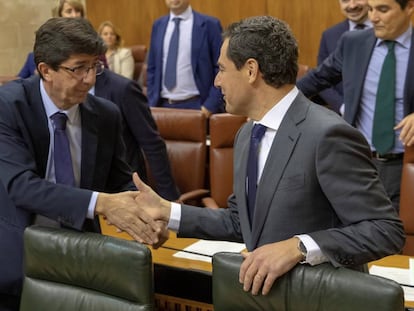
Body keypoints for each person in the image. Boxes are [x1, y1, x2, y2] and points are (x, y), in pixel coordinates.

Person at [132, 16, 405, 297]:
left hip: (320, 299)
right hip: (264, 298)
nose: (216, 81)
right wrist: (169, 211)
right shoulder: (247, 134)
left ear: (251, 70)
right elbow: (242, 222)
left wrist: (299, 246)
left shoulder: (327, 134)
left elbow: (385, 230)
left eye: (222, 69)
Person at [0, 17, 160, 311]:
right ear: (45, 70)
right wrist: (101, 203)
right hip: (16, 259)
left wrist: (146, 211)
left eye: (94, 66)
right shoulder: (8, 107)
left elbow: (120, 180)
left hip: (82, 256)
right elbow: (22, 187)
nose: (90, 79)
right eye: (78, 68)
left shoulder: (106, 114)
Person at [297, 0, 414, 212]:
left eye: (383, 10)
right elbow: (315, 80)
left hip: (404, 167)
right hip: (356, 162)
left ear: (409, 7)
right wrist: (271, 101)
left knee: (396, 240)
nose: (374, 17)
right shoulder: (353, 42)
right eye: (371, 9)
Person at [94, 68, 180, 200]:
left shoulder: (122, 89)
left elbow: (152, 144)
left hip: (123, 193)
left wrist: (170, 197)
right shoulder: (59, 98)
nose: (87, 77)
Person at [147, 0, 224, 117]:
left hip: (197, 105)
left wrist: (210, 105)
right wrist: (151, 101)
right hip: (161, 105)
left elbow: (221, 68)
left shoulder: (209, 25)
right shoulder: (158, 25)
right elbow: (152, 67)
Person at [316, 0, 371, 113]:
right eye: (345, 0)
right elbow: (322, 80)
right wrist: (342, 107)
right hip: (344, 118)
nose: (352, 5)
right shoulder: (329, 35)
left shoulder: (388, 31)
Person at [17, 0, 86, 79]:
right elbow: (21, 79)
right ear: (60, 15)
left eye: (78, 11)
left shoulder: (87, 42)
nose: (74, 15)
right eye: (69, 11)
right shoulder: (47, 43)